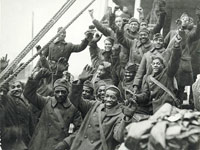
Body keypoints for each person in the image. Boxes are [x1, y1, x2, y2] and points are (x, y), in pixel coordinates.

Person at [55, 65, 135, 150]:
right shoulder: (95, 105)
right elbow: (76, 102)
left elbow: (118, 137)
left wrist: (127, 117)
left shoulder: (120, 115)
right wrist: (80, 82)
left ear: (118, 100)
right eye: (107, 96)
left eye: (112, 97)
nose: (108, 99)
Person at [23, 68, 82, 150]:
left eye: (63, 92)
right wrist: (36, 78)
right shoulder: (46, 101)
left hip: (57, 146)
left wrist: (66, 142)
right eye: (57, 92)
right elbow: (28, 94)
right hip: (39, 144)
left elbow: (80, 129)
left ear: (68, 92)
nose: (60, 94)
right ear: (54, 92)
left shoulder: (73, 108)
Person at [133, 34, 182, 113]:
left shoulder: (167, 71)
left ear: (162, 65)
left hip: (166, 101)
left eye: (158, 64)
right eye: (154, 64)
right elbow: (140, 72)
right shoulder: (149, 77)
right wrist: (136, 94)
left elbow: (174, 62)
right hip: (153, 101)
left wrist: (176, 47)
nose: (155, 65)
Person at [164, 10, 200, 103]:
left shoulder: (188, 34)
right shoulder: (172, 32)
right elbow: (165, 44)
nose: (185, 21)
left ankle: (178, 106)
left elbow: (196, 33)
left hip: (181, 65)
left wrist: (199, 19)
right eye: (183, 19)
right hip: (170, 62)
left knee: (180, 88)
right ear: (179, 20)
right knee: (168, 86)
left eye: (187, 20)